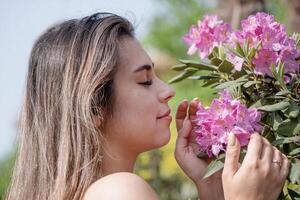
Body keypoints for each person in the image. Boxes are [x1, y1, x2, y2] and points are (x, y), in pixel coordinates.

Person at [5, 12, 289, 200]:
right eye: (144, 81)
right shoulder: (119, 192)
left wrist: (212, 189)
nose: (168, 91)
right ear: (94, 108)